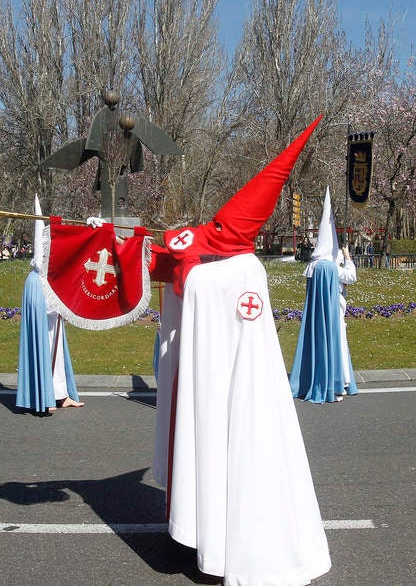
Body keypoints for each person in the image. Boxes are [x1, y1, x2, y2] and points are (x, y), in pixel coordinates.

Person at [150, 117, 330, 585]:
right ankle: (210, 532)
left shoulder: (242, 271)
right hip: (216, 377)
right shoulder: (225, 262)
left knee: (243, 448)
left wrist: (183, 268)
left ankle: (245, 548)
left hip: (243, 382)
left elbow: (197, 283)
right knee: (215, 441)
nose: (215, 227)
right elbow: (176, 266)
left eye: (222, 225)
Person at [289, 187, 359, 403]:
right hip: (333, 310)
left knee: (317, 343)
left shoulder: (313, 266)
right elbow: (350, 277)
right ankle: (338, 382)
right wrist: (347, 258)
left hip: (316, 313)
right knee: (337, 342)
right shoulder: (329, 267)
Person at [16, 195, 83, 413]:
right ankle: (44, 395)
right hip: (43, 300)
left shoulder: (52, 260)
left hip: (51, 300)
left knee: (57, 345)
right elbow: (41, 308)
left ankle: (60, 394)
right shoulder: (36, 274)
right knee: (43, 344)